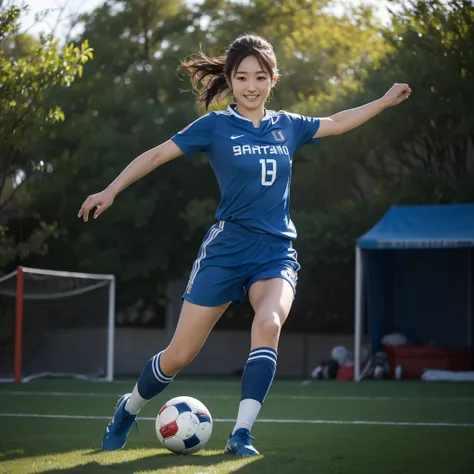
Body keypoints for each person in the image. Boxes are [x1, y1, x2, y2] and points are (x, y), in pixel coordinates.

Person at [78, 34, 411, 456]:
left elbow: (339, 121)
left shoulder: (288, 125)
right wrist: (110, 190)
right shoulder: (214, 126)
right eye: (241, 77)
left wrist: (381, 102)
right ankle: (128, 409)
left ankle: (241, 434)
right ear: (230, 81)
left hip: (275, 251)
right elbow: (157, 155)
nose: (251, 85)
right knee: (179, 355)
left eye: (259, 76)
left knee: (269, 323)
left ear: (272, 79)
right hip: (226, 249)